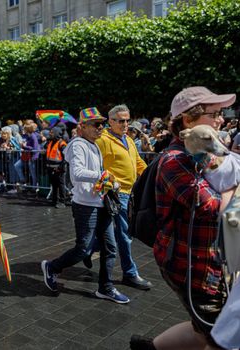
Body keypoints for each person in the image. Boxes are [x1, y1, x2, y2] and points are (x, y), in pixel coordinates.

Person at [130, 86, 236, 350]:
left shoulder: (205, 154)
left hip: (207, 260)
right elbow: (215, 208)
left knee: (203, 328)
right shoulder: (175, 160)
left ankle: (150, 347)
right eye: (215, 113)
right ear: (188, 120)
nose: (221, 119)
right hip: (191, 265)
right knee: (220, 338)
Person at [41, 107, 129, 303]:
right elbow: (77, 174)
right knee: (82, 249)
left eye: (102, 124)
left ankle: (105, 288)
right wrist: (104, 176)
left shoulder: (94, 145)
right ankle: (52, 267)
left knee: (110, 247)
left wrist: (108, 182)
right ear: (82, 126)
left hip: (100, 203)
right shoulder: (77, 145)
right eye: (96, 124)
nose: (101, 128)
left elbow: (94, 174)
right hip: (85, 206)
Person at [96, 105, 153, 291]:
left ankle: (85, 250)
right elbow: (97, 166)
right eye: (121, 120)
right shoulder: (103, 140)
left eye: (127, 120)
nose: (125, 124)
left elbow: (138, 163)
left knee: (113, 233)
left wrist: (152, 177)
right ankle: (130, 273)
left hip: (130, 192)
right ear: (110, 121)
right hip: (115, 193)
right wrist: (109, 185)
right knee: (124, 234)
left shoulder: (127, 139)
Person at [45, 127, 69, 208]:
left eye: (52, 132)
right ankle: (54, 200)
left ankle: (62, 202)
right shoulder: (50, 142)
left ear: (56, 133)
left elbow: (66, 157)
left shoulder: (62, 143)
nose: (50, 134)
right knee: (54, 185)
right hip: (51, 168)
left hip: (59, 169)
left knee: (61, 185)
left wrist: (60, 167)